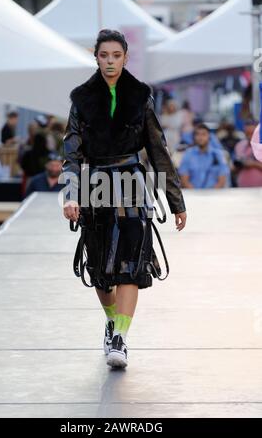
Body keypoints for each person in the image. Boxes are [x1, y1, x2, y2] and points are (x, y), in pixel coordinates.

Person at [62, 29, 187, 369]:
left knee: (131, 263)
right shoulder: (82, 99)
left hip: (132, 180)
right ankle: (110, 320)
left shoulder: (140, 97)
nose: (110, 61)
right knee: (100, 269)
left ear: (125, 57)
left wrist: (175, 200)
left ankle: (120, 336)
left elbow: (158, 148)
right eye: (105, 56)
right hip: (95, 183)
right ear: (96, 57)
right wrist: (70, 194)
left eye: (116, 55)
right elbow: (71, 151)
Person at [178, 124, 230, 189]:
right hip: (192, 196)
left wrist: (210, 196)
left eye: (203, 134)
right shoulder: (188, 154)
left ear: (209, 136)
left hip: (214, 195)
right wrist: (195, 195)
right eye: (197, 134)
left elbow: (222, 180)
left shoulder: (218, 154)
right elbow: (184, 179)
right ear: (194, 137)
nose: (200, 137)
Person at [233, 119, 262, 187]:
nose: (249, 135)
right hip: (242, 187)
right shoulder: (239, 145)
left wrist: (253, 164)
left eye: (252, 133)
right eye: (247, 133)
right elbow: (233, 167)